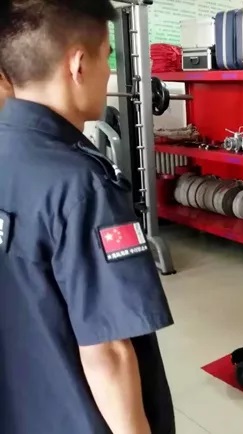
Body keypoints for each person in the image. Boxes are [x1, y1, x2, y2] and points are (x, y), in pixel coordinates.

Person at [0, 1, 175, 434]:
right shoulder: (82, 185)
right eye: (107, 57)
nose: (109, 72)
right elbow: (108, 352)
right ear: (78, 64)